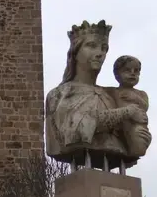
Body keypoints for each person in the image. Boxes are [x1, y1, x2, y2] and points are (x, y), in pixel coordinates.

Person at [45, 20, 150, 167]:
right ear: (75, 52)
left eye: (104, 48)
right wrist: (126, 112)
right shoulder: (60, 93)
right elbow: (77, 131)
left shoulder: (111, 94)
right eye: (91, 46)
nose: (100, 53)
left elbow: (134, 140)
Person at [109, 55, 150, 159]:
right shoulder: (113, 92)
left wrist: (135, 98)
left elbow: (145, 106)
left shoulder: (141, 93)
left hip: (137, 127)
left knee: (138, 148)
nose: (132, 73)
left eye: (136, 71)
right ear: (117, 74)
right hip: (120, 127)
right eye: (127, 70)